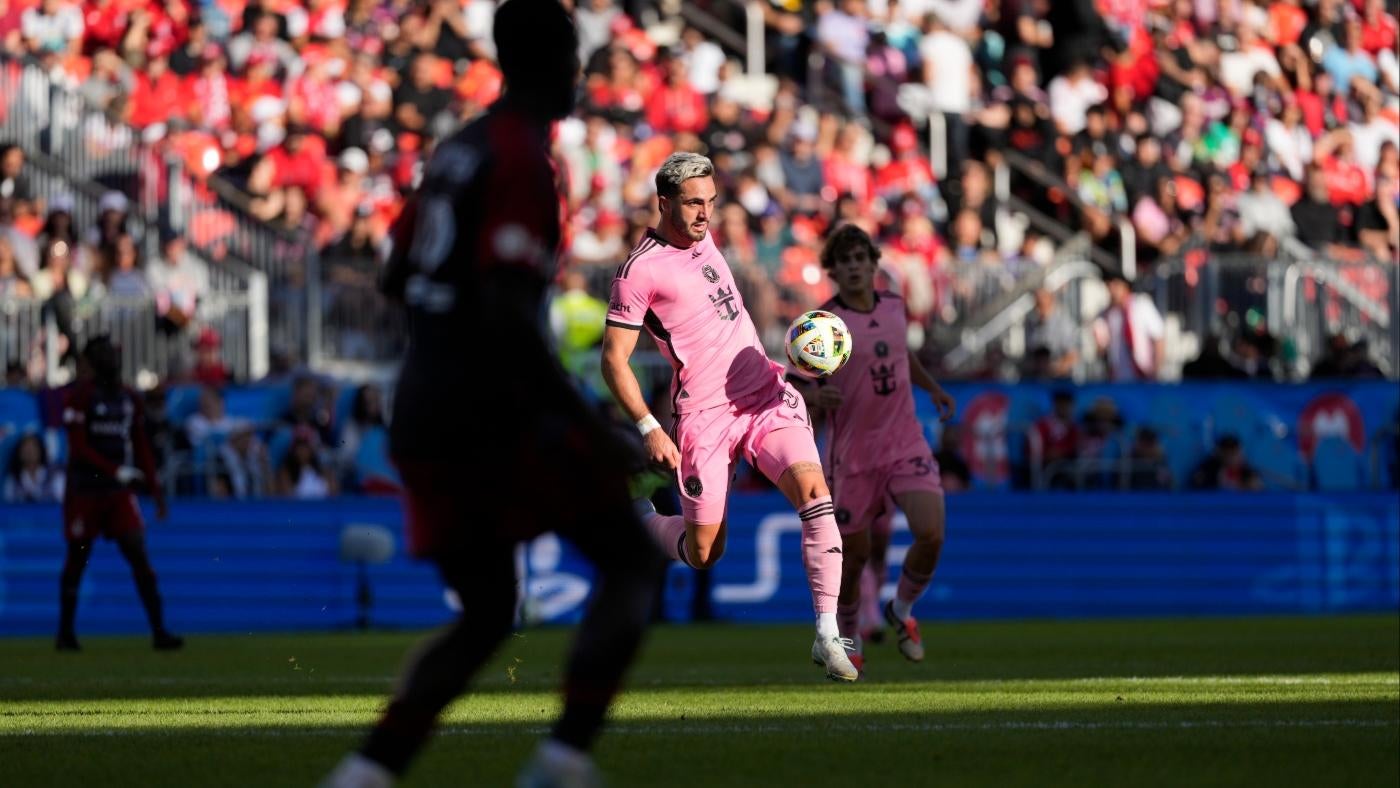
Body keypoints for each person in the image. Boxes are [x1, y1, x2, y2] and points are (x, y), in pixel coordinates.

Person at [323, 3, 663, 786]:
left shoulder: (460, 151)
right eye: (574, 60)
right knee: (631, 565)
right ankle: (563, 760)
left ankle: (365, 775)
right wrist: (590, 424)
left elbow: (395, 273)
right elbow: (507, 314)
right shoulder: (519, 160)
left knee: (484, 614)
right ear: (553, 66)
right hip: (490, 403)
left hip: (427, 396)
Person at [601, 152, 859, 682]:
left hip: (765, 394)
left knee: (816, 495)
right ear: (664, 202)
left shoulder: (706, 239)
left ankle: (828, 635)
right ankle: (642, 517)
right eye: (694, 203)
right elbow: (612, 360)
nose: (704, 214)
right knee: (704, 552)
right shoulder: (639, 271)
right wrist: (650, 427)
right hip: (704, 416)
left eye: (711, 203)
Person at [786, 225, 955, 675]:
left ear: (873, 262)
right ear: (834, 269)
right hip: (852, 453)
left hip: (904, 440)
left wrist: (933, 389)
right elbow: (796, 380)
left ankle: (901, 608)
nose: (855, 266)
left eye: (861, 257)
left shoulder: (896, 307)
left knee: (931, 532)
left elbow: (902, 356)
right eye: (845, 260)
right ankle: (850, 632)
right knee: (854, 556)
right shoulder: (822, 323)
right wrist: (815, 396)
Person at [56, 336, 182, 652]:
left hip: (116, 494)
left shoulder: (129, 399)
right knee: (77, 558)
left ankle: (159, 631)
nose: (112, 359)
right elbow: (78, 448)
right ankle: (65, 633)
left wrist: (156, 493)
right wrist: (115, 470)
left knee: (138, 551)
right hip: (85, 492)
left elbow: (141, 446)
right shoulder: (80, 398)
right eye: (105, 354)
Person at [3, 433, 64, 502]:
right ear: (19, 453)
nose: (30, 452)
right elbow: (8, 509)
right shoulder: (12, 480)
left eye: (33, 448)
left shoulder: (55, 475)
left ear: (41, 450)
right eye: (26, 449)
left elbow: (62, 504)